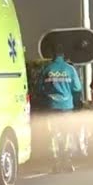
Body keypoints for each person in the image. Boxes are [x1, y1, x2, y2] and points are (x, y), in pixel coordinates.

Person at [37, 44, 83, 172]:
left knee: (54, 134)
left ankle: (56, 162)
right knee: (67, 133)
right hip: (67, 107)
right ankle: (67, 161)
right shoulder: (70, 69)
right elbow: (77, 88)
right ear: (64, 55)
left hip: (52, 106)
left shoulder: (47, 69)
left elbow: (39, 88)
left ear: (53, 55)